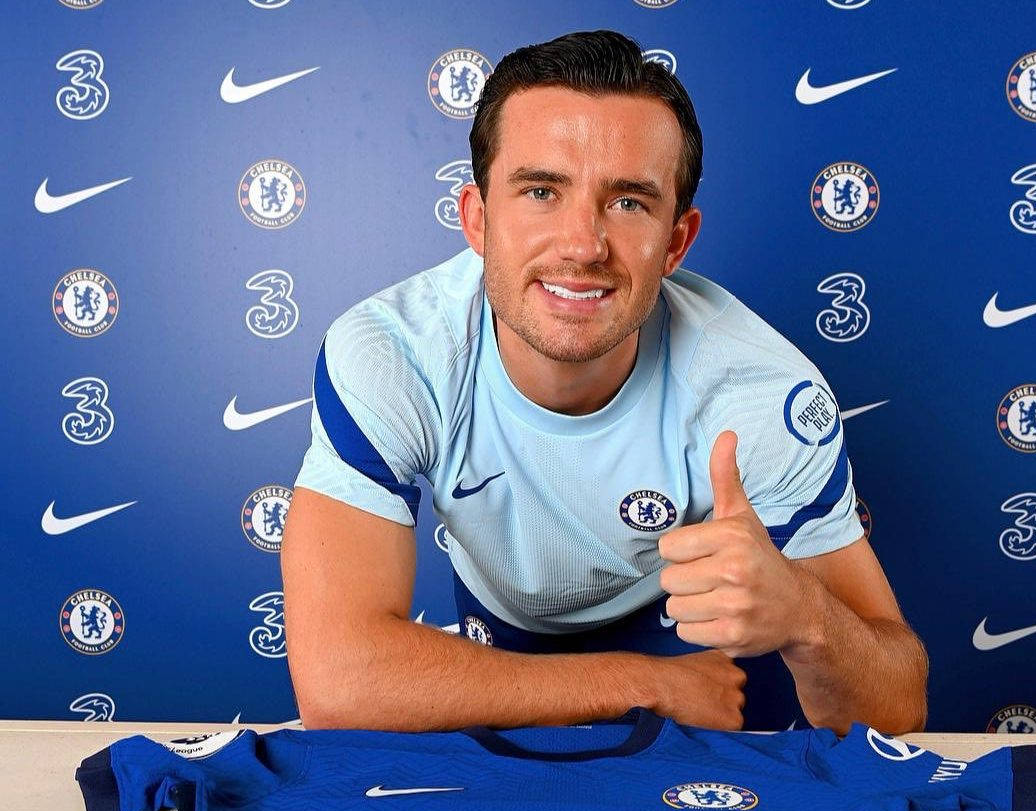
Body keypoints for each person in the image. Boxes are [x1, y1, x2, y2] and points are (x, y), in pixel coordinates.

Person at [281, 30, 928, 736]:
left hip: (703, 663)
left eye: (627, 203)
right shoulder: (395, 352)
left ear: (676, 242)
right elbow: (337, 680)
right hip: (511, 645)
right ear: (477, 219)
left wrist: (805, 614)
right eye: (540, 191)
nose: (582, 245)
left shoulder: (758, 390)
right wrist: (637, 682)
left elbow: (896, 708)